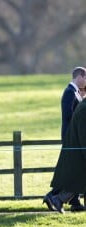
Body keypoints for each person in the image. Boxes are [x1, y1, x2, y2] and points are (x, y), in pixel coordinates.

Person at [43, 66, 86, 212]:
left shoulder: (75, 92)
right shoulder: (69, 92)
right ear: (80, 76)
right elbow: (68, 117)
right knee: (70, 171)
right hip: (73, 139)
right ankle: (54, 197)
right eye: (85, 78)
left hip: (75, 138)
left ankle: (73, 202)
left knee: (72, 171)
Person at [48, 95, 86, 213]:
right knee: (78, 180)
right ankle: (57, 199)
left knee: (79, 181)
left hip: (77, 152)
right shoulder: (84, 109)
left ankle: (57, 199)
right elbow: (84, 136)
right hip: (78, 154)